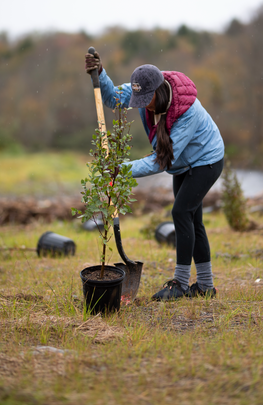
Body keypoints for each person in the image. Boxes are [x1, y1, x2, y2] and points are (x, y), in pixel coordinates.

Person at [85, 51, 224, 301]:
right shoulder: (141, 88)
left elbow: (161, 161)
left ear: (159, 90)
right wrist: (101, 74)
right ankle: (205, 286)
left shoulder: (187, 111)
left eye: (148, 99)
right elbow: (113, 98)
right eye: (141, 99)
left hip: (207, 160)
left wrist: (121, 169)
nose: (145, 104)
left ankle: (180, 284)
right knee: (192, 219)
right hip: (183, 165)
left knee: (181, 213)